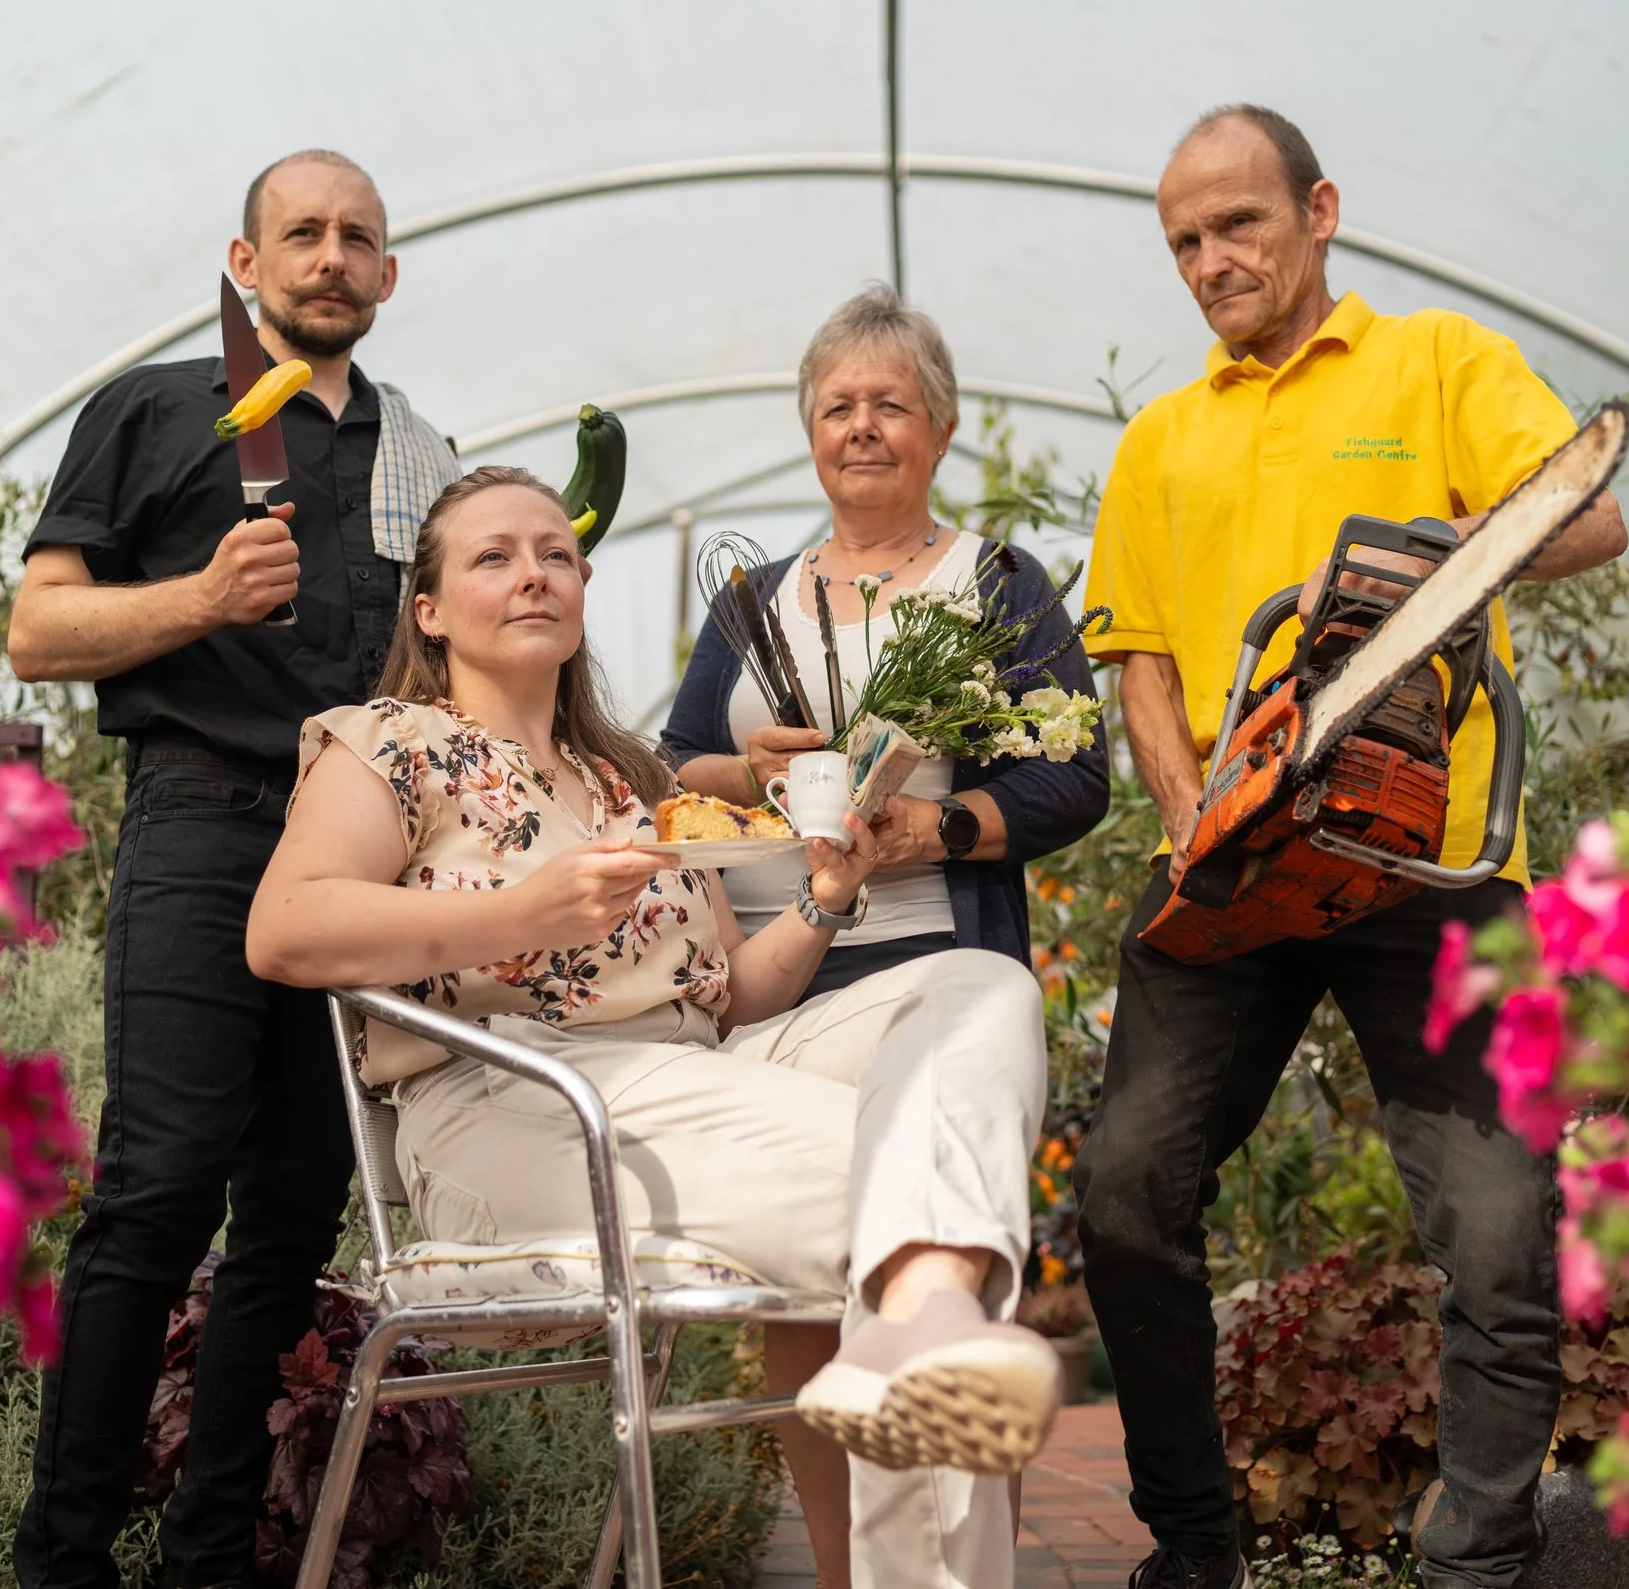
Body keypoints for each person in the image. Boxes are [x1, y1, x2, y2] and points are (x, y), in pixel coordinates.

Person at [247, 466, 1062, 1589]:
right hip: (518, 1107)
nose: (535, 571)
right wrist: (518, 913)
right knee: (923, 1200)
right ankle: (925, 1315)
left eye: (556, 553)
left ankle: (916, 1319)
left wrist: (827, 893)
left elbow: (735, 992)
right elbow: (282, 929)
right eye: (494, 555)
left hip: (697, 1069)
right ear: (427, 610)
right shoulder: (388, 741)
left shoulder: (631, 777)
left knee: (976, 984)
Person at [1073, 105, 1629, 1589]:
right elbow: (1134, 655)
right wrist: (1191, 807)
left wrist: (1423, 553)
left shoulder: (1436, 362)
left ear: (1320, 209)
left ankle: (1476, 1563)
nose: (1212, 260)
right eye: (1184, 240)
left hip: (1434, 868)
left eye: (1239, 224)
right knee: (1125, 1190)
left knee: (1501, 1229)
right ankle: (1195, 1550)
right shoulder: (1159, 438)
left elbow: (1586, 514)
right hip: (1238, 869)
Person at [4, 149, 464, 1589]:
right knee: (157, 1186)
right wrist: (201, 597)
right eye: (303, 233)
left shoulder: (426, 456)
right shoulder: (155, 409)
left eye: (359, 239)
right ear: (245, 261)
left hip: (358, 851)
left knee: (292, 1206)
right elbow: (36, 629)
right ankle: (62, 1559)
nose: (331, 257)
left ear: (387, 277)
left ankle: (212, 1557)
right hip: (205, 819)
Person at [663, 284, 1110, 997]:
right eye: (838, 408)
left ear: (943, 429)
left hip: (924, 951)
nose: (861, 427)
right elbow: (672, 765)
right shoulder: (750, 598)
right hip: (748, 965)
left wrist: (934, 827)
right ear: (813, 434)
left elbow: (1076, 777)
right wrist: (749, 774)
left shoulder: (999, 580)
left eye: (891, 406)